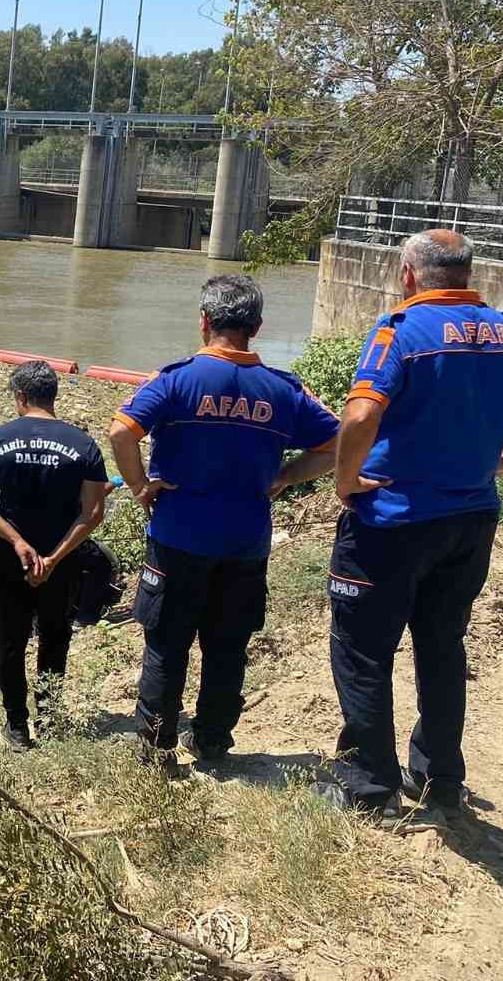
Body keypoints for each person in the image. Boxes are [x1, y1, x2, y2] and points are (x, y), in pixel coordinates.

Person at [321, 229, 503, 814]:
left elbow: (362, 413)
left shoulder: (400, 330)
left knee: (363, 650)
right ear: (469, 276)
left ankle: (369, 786)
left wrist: (345, 481)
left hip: (392, 523)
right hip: (471, 519)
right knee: (442, 646)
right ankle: (440, 778)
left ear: (408, 275)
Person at [109, 275, 340, 766]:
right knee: (228, 644)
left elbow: (122, 433)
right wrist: (285, 477)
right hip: (245, 543)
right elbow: (337, 444)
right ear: (256, 328)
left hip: (177, 538)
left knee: (167, 644)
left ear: (205, 321)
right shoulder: (283, 391)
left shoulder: (175, 380)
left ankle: (155, 749)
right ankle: (212, 740)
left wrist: (138, 487)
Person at [0, 360, 109, 750]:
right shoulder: (82, 443)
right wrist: (56, 556)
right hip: (61, 563)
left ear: (21, 396)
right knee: (55, 636)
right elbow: (93, 512)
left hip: (13, 559)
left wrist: (16, 541)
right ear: (53, 396)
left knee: (9, 642)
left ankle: (16, 726)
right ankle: (49, 717)